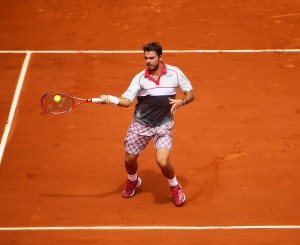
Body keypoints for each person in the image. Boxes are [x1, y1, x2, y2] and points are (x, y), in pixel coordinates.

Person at [99, 42, 194, 206]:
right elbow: (127, 101)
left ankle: (175, 187)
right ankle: (133, 181)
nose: (148, 61)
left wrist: (182, 101)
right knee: (129, 159)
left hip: (163, 124)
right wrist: (110, 98)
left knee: (163, 162)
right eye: (146, 58)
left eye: (151, 58)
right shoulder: (140, 78)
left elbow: (190, 94)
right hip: (141, 124)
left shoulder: (175, 73)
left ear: (160, 57)